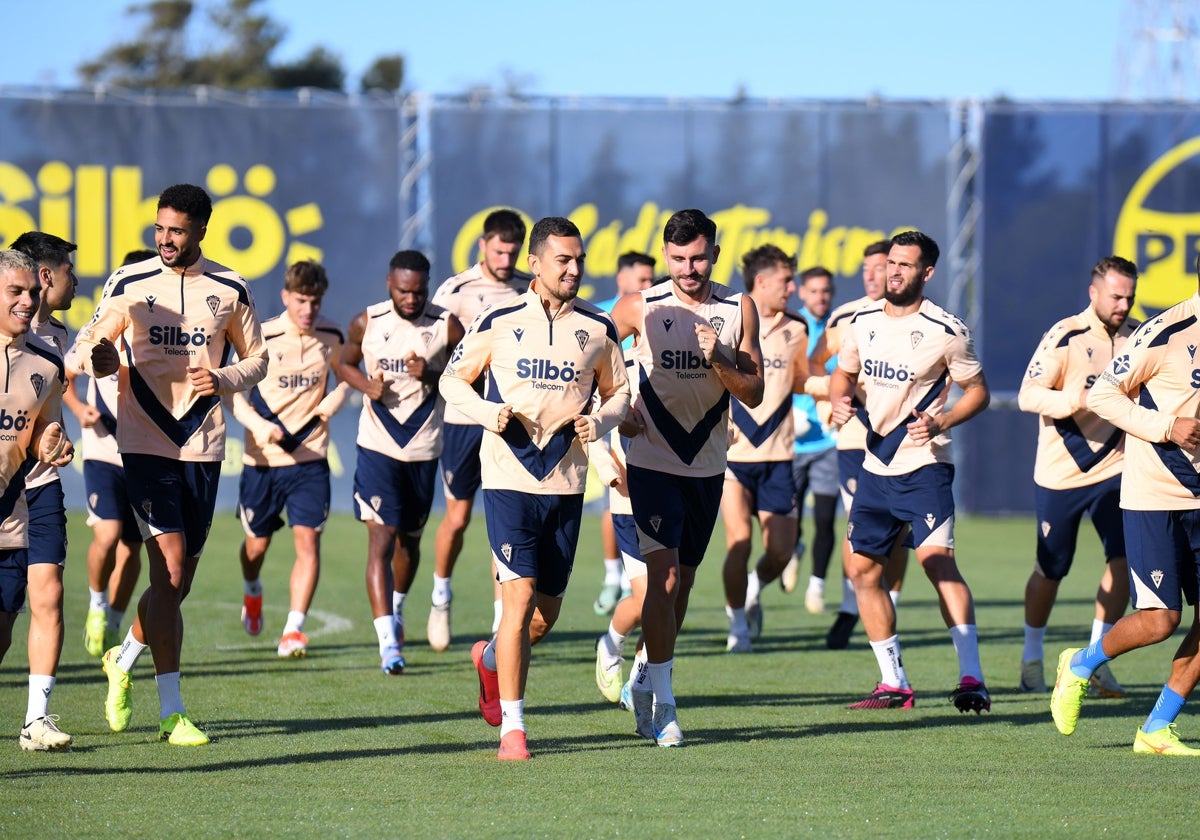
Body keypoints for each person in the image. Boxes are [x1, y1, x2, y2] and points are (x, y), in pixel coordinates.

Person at [76, 183, 268, 746]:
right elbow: (88, 342)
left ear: (201, 231)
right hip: (143, 442)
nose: (164, 239)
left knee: (172, 585)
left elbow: (257, 358)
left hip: (203, 446)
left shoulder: (231, 288)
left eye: (176, 231)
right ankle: (172, 712)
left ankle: (124, 654)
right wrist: (102, 357)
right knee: (174, 569)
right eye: (159, 228)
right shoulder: (129, 282)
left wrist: (227, 377)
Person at [443, 216, 630, 760]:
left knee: (543, 617)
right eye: (563, 260)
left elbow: (618, 394)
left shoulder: (597, 326)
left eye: (579, 261)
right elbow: (451, 380)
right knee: (518, 597)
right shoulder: (497, 318)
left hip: (566, 485)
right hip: (507, 478)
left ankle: (489, 661)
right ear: (536, 263)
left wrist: (603, 422)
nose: (573, 269)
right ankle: (515, 730)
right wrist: (486, 412)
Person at [610, 208, 763, 746]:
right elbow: (593, 361)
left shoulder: (738, 307)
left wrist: (718, 354)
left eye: (698, 257)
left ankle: (645, 672)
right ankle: (668, 706)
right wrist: (614, 415)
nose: (688, 267)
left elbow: (753, 390)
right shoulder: (640, 306)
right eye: (677, 258)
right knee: (665, 578)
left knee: (683, 586)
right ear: (665, 256)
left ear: (715, 253)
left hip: (707, 463)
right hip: (650, 461)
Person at [829, 230, 991, 713]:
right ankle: (893, 682)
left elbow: (978, 390)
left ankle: (973, 678)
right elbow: (845, 371)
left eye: (904, 265)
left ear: (927, 272)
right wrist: (839, 398)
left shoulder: (948, 330)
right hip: (875, 465)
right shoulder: (861, 320)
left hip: (925, 467)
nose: (892, 272)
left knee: (936, 563)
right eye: (889, 263)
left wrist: (942, 419)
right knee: (861, 570)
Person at [1050, 254, 1200, 755]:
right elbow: (1104, 396)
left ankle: (1156, 728)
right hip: (1155, 495)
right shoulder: (1165, 332)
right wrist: (1168, 427)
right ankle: (1081, 664)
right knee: (1161, 619)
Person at [337, 250, 463, 674]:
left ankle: (397, 606)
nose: (411, 299)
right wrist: (364, 385)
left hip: (424, 449)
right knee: (382, 538)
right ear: (389, 285)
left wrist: (430, 373)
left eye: (419, 292)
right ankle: (388, 644)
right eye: (404, 291)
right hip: (377, 446)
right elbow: (343, 362)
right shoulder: (367, 321)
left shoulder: (446, 325)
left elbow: (472, 376)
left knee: (409, 542)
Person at [1016, 256, 1137, 695]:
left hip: (1117, 467)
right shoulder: (1066, 335)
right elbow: (1029, 396)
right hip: (1060, 473)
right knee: (1051, 569)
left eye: (1129, 296)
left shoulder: (1139, 337)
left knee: (1123, 559)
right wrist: (1074, 400)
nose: (1123, 304)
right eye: (1116, 296)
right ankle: (1032, 659)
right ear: (1094, 293)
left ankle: (1095, 660)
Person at [230, 260, 351, 659]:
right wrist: (259, 427)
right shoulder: (262, 335)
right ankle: (252, 590)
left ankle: (293, 630)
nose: (308, 309)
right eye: (301, 300)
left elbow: (347, 376)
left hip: (310, 457)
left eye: (315, 301)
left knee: (309, 542)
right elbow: (232, 392)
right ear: (286, 297)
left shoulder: (332, 334)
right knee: (256, 548)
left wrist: (332, 403)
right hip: (262, 461)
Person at [427, 209, 529, 651]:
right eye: (499, 250)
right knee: (458, 516)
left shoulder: (528, 288)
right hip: (465, 421)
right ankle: (440, 596)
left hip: (510, 421)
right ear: (483, 245)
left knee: (502, 521)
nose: (506, 260)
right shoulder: (457, 291)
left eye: (513, 252)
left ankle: (500, 621)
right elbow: (431, 353)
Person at [810, 240, 909, 649]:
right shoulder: (845, 315)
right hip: (854, 441)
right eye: (866, 267)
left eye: (880, 266)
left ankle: (888, 606)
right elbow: (814, 365)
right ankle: (854, 607)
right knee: (859, 526)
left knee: (899, 531)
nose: (872, 274)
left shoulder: (915, 318)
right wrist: (829, 403)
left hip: (903, 441)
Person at [0, 249, 76, 751]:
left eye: (32, 292)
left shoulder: (47, 362)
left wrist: (54, 442)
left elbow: (50, 430)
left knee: (4, 625)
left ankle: (36, 720)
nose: (28, 302)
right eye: (15, 292)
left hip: (13, 510)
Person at [64, 248, 153, 659]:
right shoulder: (102, 329)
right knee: (108, 532)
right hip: (102, 450)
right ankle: (98, 605)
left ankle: (114, 620)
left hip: (146, 455)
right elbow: (65, 374)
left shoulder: (161, 336)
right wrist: (81, 409)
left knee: (133, 549)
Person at [721, 244, 808, 652]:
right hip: (734, 459)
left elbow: (805, 379)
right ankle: (737, 627)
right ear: (761, 281)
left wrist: (840, 392)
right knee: (738, 541)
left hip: (779, 458)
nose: (792, 288)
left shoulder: (798, 328)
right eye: (786, 280)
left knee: (780, 552)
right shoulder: (731, 320)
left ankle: (755, 587)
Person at [590, 251, 655, 615]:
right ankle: (612, 576)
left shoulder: (658, 317)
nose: (648, 287)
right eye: (642, 280)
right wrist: (604, 457)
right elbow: (591, 397)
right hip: (610, 437)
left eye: (651, 280)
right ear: (622, 280)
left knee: (668, 591)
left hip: (657, 455)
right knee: (614, 497)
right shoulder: (600, 319)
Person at [784, 266, 839, 615]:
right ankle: (793, 549)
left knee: (825, 517)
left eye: (826, 291)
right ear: (802, 293)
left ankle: (817, 585)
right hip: (789, 442)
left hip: (828, 442)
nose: (821, 297)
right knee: (784, 521)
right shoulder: (790, 327)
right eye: (814, 291)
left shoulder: (841, 328)